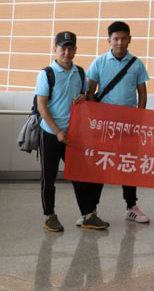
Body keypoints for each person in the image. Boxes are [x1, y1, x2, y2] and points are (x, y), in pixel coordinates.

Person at [37, 31, 108, 232]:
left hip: (74, 134)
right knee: (49, 177)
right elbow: (42, 106)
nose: (67, 52)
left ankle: (88, 215)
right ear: (55, 49)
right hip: (50, 133)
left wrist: (83, 97)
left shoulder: (80, 72)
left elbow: (84, 95)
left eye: (70, 48)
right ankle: (50, 215)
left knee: (80, 175)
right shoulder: (46, 74)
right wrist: (57, 131)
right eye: (63, 48)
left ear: (75, 49)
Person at [86, 20, 150, 224]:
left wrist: (139, 117)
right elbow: (90, 91)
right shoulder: (99, 62)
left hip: (129, 125)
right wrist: (95, 117)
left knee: (128, 165)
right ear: (109, 40)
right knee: (99, 165)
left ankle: (131, 207)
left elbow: (142, 93)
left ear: (130, 39)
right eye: (116, 39)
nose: (120, 42)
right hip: (105, 126)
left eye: (123, 38)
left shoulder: (137, 64)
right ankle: (91, 209)